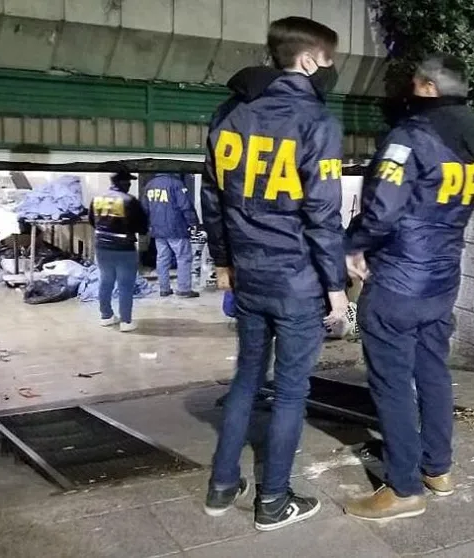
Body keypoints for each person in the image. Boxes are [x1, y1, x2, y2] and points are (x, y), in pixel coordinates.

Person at [200, 16, 348, 531]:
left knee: (246, 378)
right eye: (329, 61)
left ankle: (222, 487)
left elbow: (213, 198)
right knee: (290, 391)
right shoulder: (318, 123)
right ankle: (273, 501)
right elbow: (323, 214)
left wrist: (223, 262)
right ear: (309, 60)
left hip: (248, 275)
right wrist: (336, 287)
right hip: (298, 279)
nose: (331, 71)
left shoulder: (229, 114)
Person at [343, 53, 474, 521]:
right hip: (443, 278)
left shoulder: (410, 137)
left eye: (413, 84)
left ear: (427, 87)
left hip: (399, 281)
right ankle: (438, 468)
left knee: (391, 384)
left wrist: (352, 244)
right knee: (433, 372)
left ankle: (404, 488)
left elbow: (383, 210)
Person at [88, 169, 149, 333]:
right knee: (125, 285)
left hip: (102, 246)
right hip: (124, 248)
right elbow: (142, 227)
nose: (129, 185)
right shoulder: (129, 201)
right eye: (128, 182)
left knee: (105, 281)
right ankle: (126, 321)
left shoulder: (97, 199)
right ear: (123, 183)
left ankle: (106, 316)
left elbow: (92, 221)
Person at [140, 173, 201, 298]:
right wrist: (193, 223)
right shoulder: (176, 183)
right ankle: (184, 289)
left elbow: (144, 208)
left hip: (157, 229)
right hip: (176, 228)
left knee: (162, 259)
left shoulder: (149, 185)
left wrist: (146, 226)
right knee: (183, 257)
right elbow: (185, 206)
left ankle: (164, 288)